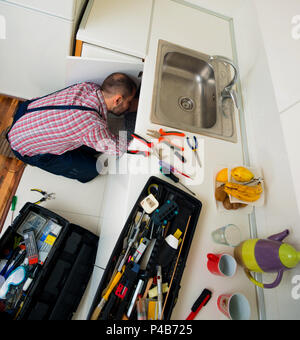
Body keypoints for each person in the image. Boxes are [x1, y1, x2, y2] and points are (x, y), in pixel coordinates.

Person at [7, 73, 137, 183]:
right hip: (24, 147)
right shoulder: (92, 125)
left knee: (91, 145)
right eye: (129, 102)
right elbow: (118, 148)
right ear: (117, 100)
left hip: (26, 114)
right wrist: (143, 145)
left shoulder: (88, 86)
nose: (129, 106)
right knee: (92, 170)